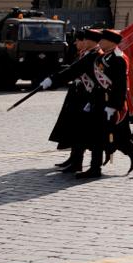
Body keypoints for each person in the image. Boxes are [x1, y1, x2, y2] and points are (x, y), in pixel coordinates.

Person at [47, 28, 100, 171]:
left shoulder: (95, 55)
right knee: (75, 129)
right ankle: (74, 159)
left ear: (89, 41)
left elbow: (74, 71)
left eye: (81, 40)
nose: (77, 43)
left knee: (80, 132)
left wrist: (53, 80)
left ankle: (80, 163)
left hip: (88, 98)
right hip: (79, 96)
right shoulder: (87, 54)